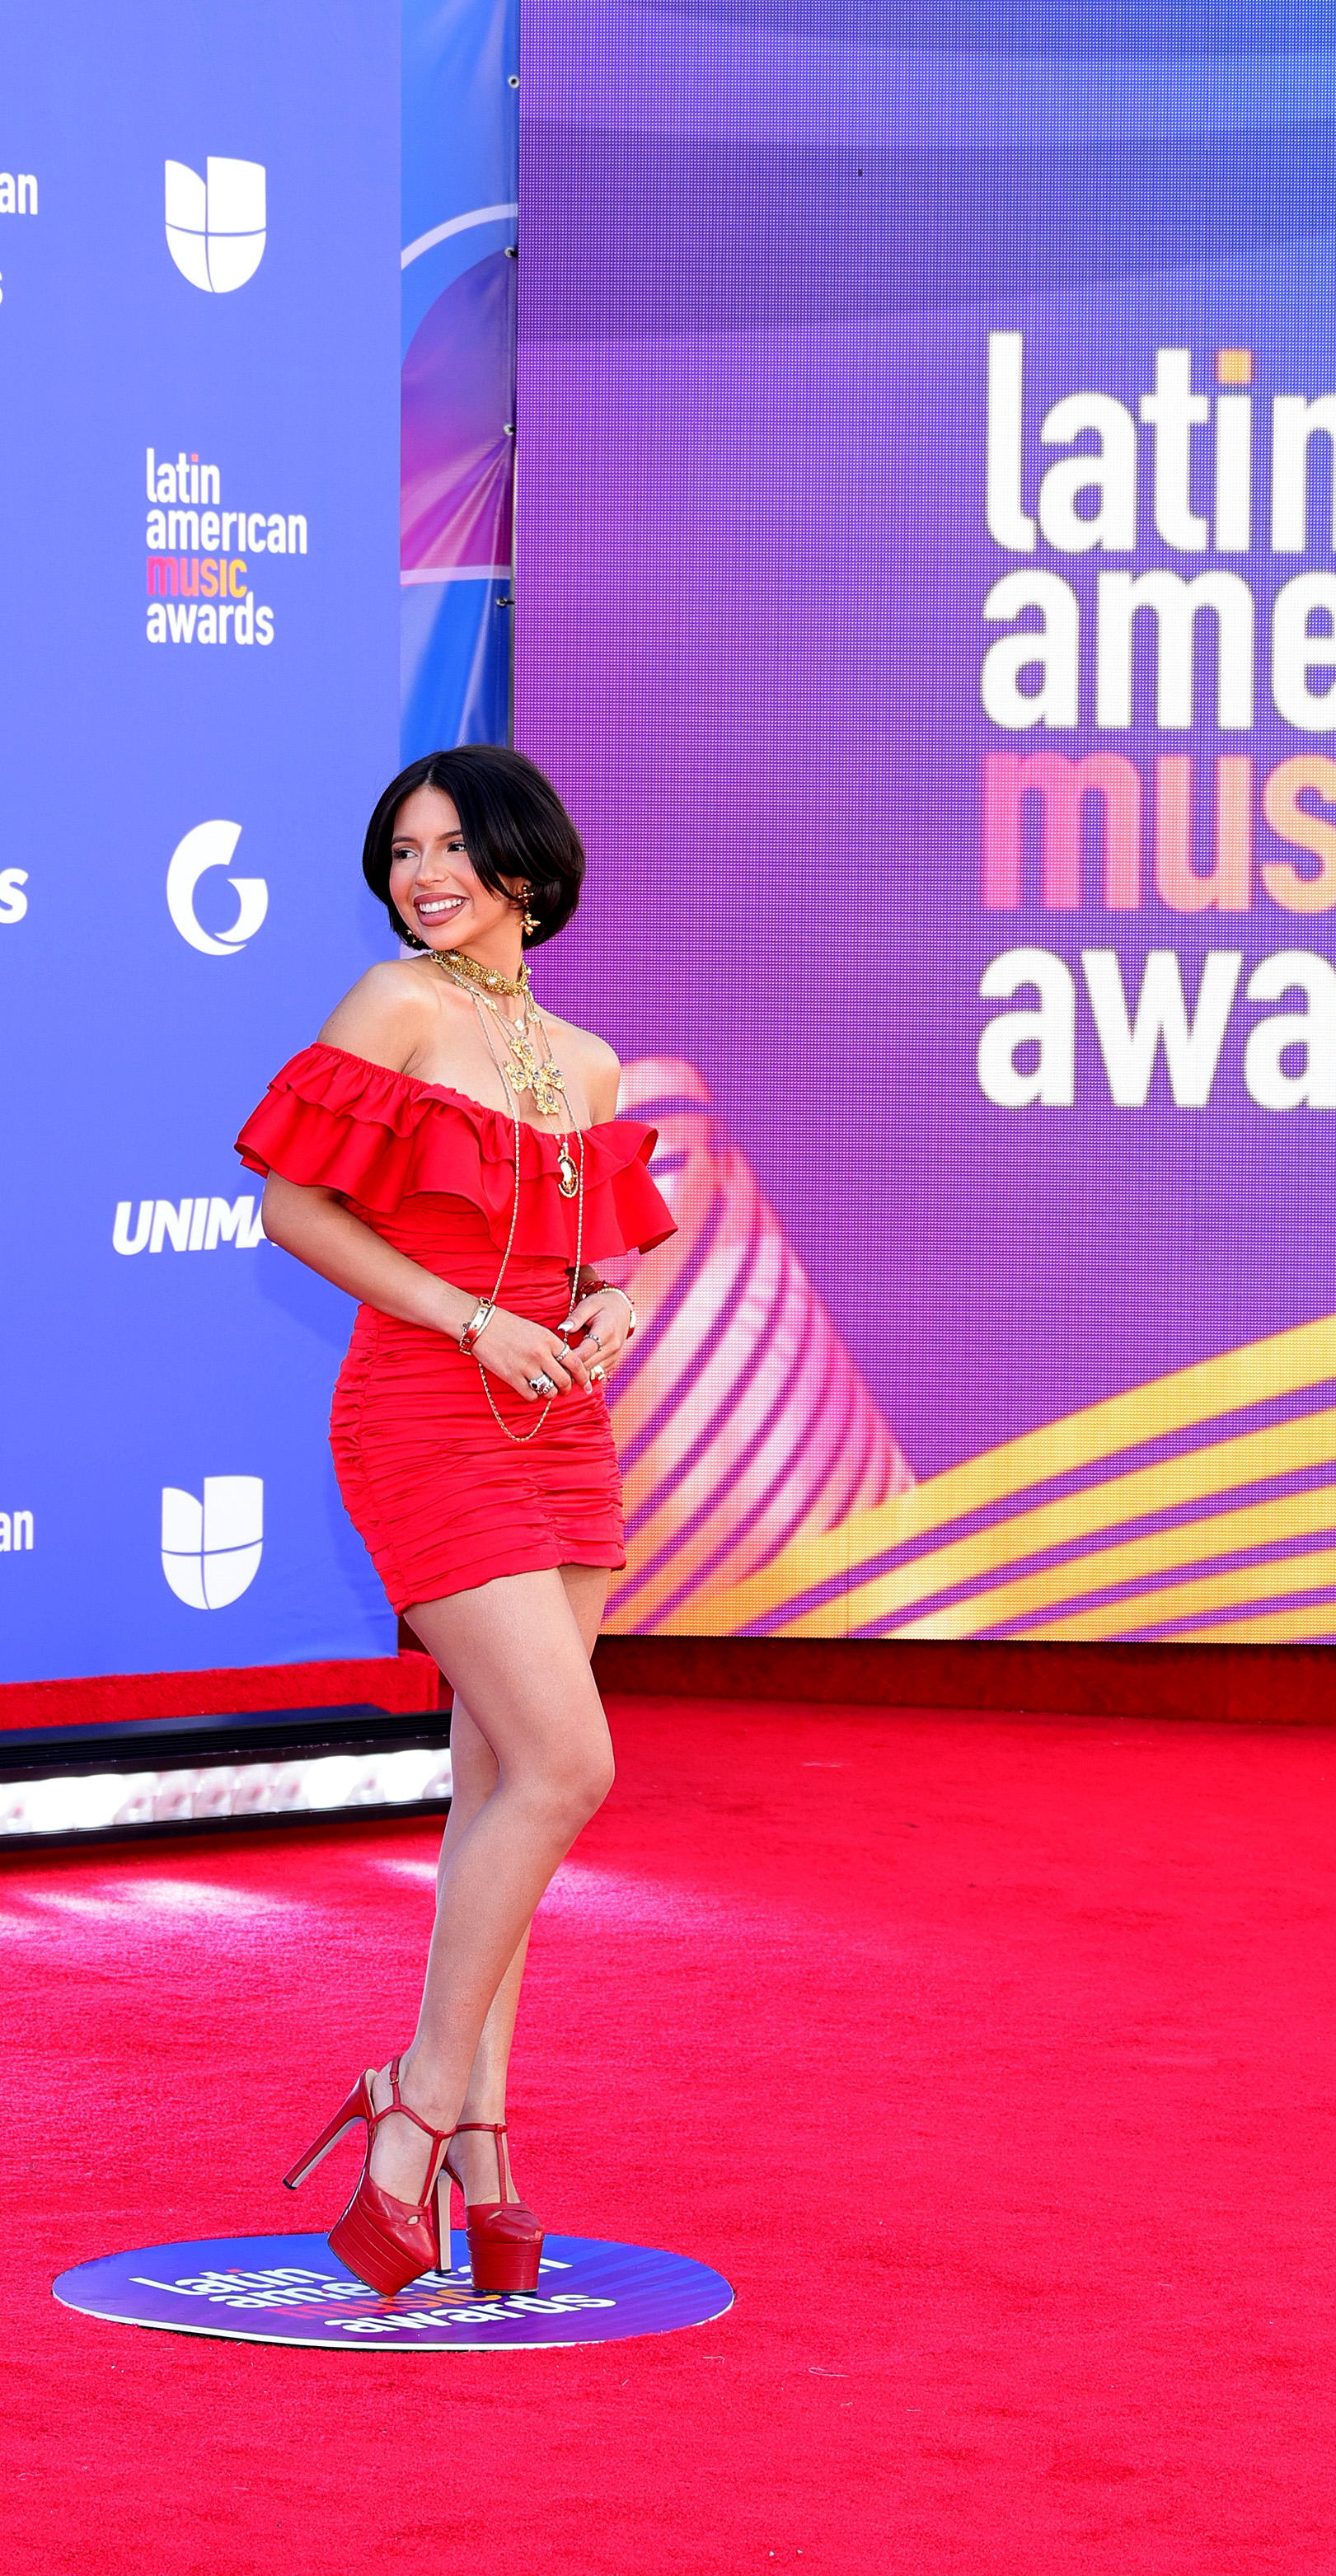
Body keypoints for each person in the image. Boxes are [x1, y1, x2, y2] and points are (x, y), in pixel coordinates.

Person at [236, 745, 674, 2297]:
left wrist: (604, 1307)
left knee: (504, 1792)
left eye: (449, 850)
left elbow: (591, 1259)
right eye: (402, 850)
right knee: (569, 1764)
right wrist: (470, 1323)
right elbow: (293, 1206)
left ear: (526, 869)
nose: (420, 876)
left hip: (561, 1429)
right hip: (425, 1416)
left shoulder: (592, 1061)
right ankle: (418, 2098)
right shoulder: (395, 1004)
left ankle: (481, 2133)